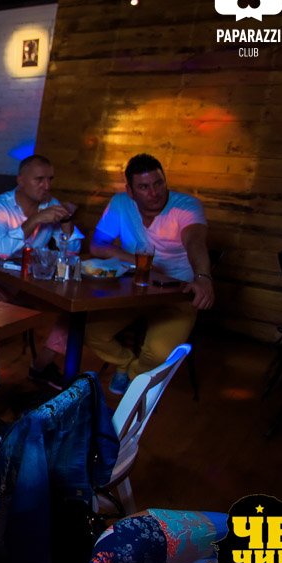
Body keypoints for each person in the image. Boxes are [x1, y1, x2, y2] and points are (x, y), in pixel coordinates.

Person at [85, 153, 214, 394]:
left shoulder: (186, 205)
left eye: (158, 183)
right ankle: (123, 363)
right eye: (144, 187)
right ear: (130, 191)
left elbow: (195, 242)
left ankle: (135, 376)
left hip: (178, 292)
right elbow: (98, 245)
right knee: (92, 332)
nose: (154, 193)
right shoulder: (121, 203)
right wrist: (139, 262)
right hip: (134, 288)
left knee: (160, 352)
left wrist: (203, 278)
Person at [0, 154, 81, 396]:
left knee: (74, 310)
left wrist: (67, 222)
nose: (47, 186)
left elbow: (73, 252)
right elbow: (2, 251)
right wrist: (35, 220)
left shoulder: (52, 205)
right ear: (21, 180)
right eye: (39, 179)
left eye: (50, 179)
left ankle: (41, 364)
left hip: (30, 284)